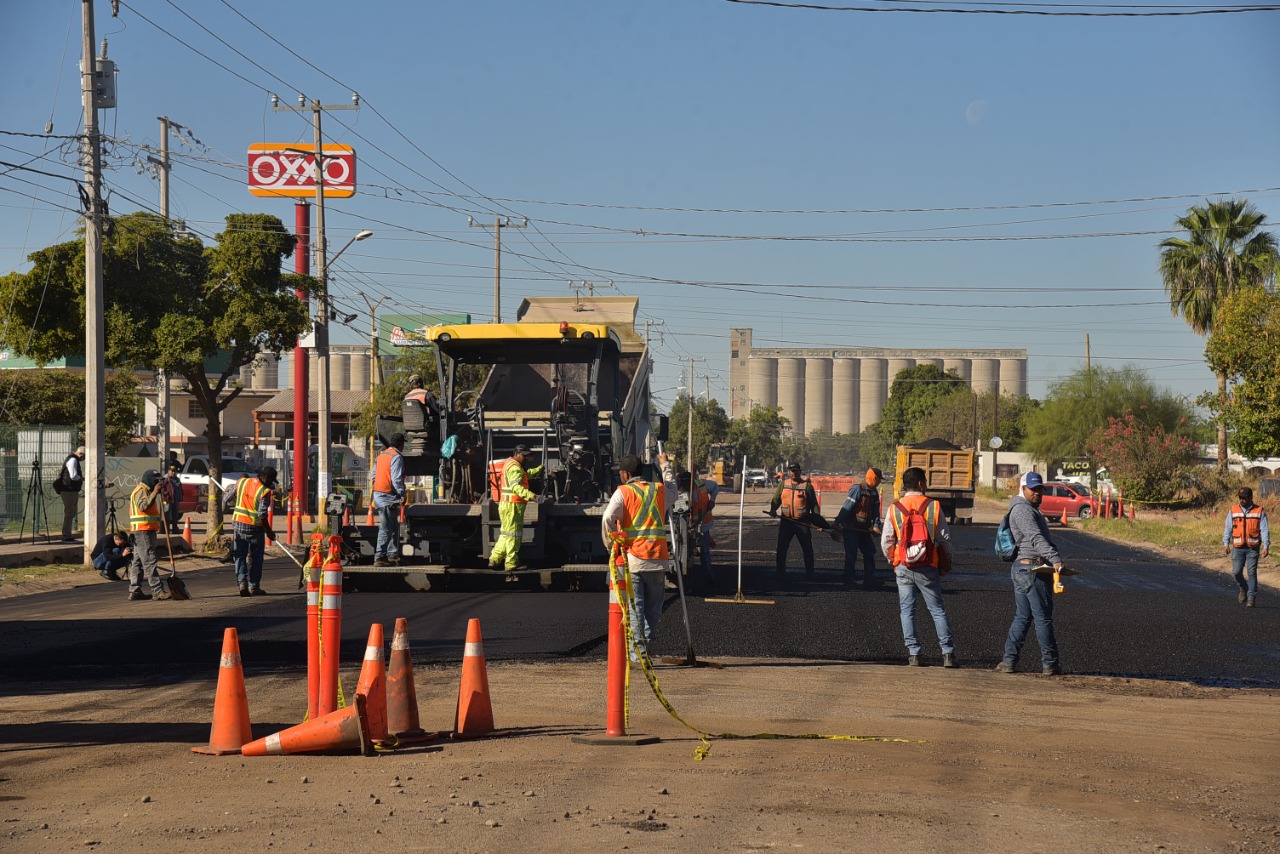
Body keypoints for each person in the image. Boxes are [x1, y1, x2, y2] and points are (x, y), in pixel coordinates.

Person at [602, 453, 677, 655]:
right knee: (653, 612)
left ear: (626, 474)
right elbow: (673, 489)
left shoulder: (623, 492)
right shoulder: (659, 490)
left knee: (636, 610)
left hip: (634, 559)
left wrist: (612, 545)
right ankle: (646, 651)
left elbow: (608, 518)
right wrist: (665, 465)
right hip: (658, 559)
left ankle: (639, 655)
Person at [881, 466, 955, 667]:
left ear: (905, 485)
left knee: (907, 610)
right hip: (928, 565)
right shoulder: (933, 506)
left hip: (903, 566)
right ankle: (947, 654)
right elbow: (945, 539)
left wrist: (894, 560)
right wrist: (945, 562)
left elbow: (886, 540)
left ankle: (914, 654)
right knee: (937, 610)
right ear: (921, 484)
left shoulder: (894, 508)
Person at [996, 471, 1065, 675]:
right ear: (1022, 488)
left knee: (1023, 617)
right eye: (1032, 489)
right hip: (1031, 569)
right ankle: (1050, 663)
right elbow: (1035, 538)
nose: (1037, 493)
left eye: (1039, 489)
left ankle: (1009, 661)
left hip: (1024, 569)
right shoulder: (1022, 510)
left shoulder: (1027, 508)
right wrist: (1055, 559)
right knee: (1043, 618)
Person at [488, 444, 545, 574]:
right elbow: (516, 488)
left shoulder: (511, 464)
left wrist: (538, 470)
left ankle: (494, 559)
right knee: (514, 535)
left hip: (507, 505)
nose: (526, 459)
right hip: (513, 506)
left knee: (506, 534)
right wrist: (532, 496)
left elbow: (524, 475)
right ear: (517, 454)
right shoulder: (515, 468)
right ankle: (511, 564)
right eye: (524, 456)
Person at [769, 463, 827, 577]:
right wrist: (773, 509)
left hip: (802, 522)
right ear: (789, 472)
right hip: (786, 522)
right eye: (792, 471)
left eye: (796, 471)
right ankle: (780, 571)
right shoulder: (783, 484)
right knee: (782, 548)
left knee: (807, 548)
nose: (794, 473)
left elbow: (814, 505)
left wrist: (818, 522)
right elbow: (776, 499)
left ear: (800, 471)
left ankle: (810, 572)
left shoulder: (807, 486)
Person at [227, 465, 277, 597]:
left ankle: (242, 583)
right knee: (257, 558)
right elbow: (262, 514)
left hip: (238, 527)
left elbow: (227, 499)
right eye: (271, 480)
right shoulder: (264, 492)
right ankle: (254, 586)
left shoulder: (242, 482)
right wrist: (269, 531)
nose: (271, 483)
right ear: (265, 477)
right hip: (255, 529)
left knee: (240, 556)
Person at [834, 467, 884, 589]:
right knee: (851, 555)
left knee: (869, 551)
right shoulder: (857, 489)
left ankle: (869, 579)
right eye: (879, 479)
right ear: (874, 478)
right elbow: (847, 507)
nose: (879, 482)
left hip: (864, 529)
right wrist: (837, 522)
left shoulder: (874, 492)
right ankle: (849, 581)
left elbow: (876, 512)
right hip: (851, 528)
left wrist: (876, 526)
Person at [127, 470, 172, 601]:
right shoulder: (141, 490)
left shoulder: (146, 491)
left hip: (144, 530)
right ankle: (157, 591)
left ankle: (134, 590)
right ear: (150, 480)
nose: (159, 483)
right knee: (149, 561)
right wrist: (154, 493)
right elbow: (143, 506)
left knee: (138, 562)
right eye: (157, 480)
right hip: (143, 531)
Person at [1224, 486, 1269, 608]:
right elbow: (1228, 527)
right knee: (1236, 572)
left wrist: (1266, 545)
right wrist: (1226, 543)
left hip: (1253, 548)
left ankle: (1251, 598)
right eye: (1240, 498)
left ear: (1250, 498)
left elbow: (1264, 529)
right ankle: (1243, 587)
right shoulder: (1233, 510)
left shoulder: (1259, 511)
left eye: (1244, 498)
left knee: (1251, 572)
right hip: (1238, 547)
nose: (1241, 500)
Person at [372, 433, 407, 567]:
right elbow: (396, 479)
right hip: (387, 497)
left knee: (393, 526)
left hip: (379, 495)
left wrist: (378, 487)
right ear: (401, 445)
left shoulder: (382, 455)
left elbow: (373, 475)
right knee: (386, 527)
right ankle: (380, 557)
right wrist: (402, 494)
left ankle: (392, 554)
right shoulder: (397, 457)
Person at [58, 446, 85, 541]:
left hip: (72, 490)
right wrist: (82, 478)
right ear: (81, 453)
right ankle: (66, 534)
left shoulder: (74, 459)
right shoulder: (73, 460)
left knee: (71, 512)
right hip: (69, 490)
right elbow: (73, 476)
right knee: (69, 513)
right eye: (84, 456)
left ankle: (67, 533)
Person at [159, 462, 185, 534]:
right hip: (168, 500)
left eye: (174, 471)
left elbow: (180, 488)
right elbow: (162, 489)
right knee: (167, 515)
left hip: (176, 500)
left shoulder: (177, 479)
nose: (173, 472)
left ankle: (175, 529)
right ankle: (166, 529)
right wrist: (166, 496)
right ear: (168, 471)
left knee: (175, 515)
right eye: (172, 471)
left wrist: (180, 497)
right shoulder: (165, 479)